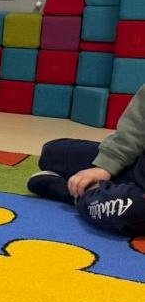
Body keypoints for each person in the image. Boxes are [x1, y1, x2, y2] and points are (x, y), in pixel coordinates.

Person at [29, 86, 145, 236]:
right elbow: (134, 129)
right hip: (137, 164)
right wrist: (105, 166)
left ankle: (75, 193)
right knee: (51, 153)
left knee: (129, 210)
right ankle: (102, 189)